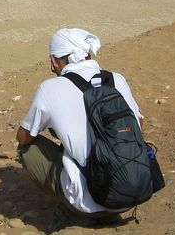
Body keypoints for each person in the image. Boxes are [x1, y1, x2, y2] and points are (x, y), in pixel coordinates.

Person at [16, 27, 143, 231]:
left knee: (28, 148)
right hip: (132, 192)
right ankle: (110, 209)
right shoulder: (116, 79)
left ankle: (75, 210)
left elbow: (23, 137)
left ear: (54, 61)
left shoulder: (50, 88)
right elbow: (139, 125)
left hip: (86, 205)